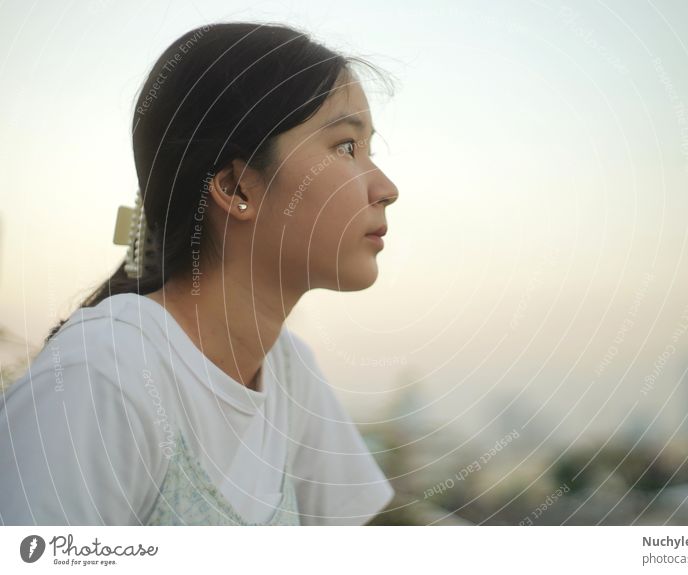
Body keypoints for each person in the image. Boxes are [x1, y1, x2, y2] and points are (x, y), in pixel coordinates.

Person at [0, 22, 399, 526]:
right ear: (236, 188)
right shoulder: (102, 376)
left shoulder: (289, 372)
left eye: (370, 152)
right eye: (346, 147)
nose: (386, 188)